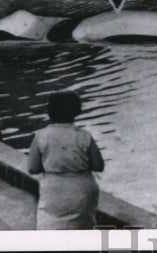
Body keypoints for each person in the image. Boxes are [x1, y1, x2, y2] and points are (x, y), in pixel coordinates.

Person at [27, 91, 105, 230]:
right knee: (82, 229)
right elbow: (98, 166)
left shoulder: (41, 136)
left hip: (54, 189)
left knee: (51, 228)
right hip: (82, 189)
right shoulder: (84, 136)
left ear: (50, 111)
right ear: (76, 111)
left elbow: (33, 168)